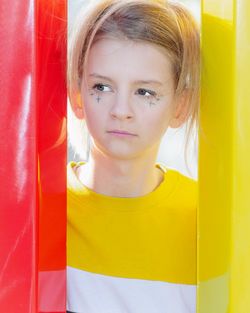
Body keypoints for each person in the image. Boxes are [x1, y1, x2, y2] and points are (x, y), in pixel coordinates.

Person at [67, 0, 200, 312]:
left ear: (179, 106)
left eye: (145, 92)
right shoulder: (37, 211)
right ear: (77, 95)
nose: (121, 111)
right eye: (102, 86)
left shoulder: (206, 220)